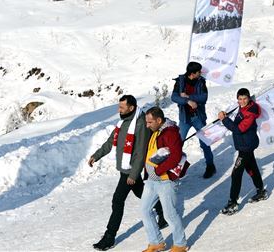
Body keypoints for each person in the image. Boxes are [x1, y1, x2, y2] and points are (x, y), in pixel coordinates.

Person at [88, 95, 164, 251]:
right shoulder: (122, 122)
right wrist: (96, 155)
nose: (119, 110)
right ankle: (163, 213)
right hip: (126, 168)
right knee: (142, 193)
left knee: (117, 200)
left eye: (122, 107)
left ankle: (109, 237)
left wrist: (133, 174)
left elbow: (141, 152)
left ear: (131, 108)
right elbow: (110, 142)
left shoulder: (140, 124)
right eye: (119, 106)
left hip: (130, 171)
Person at [140, 106, 190, 252]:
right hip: (152, 180)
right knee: (145, 210)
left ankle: (180, 244)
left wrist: (158, 170)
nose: (147, 125)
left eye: (150, 122)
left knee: (170, 214)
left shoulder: (170, 133)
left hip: (165, 181)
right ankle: (156, 242)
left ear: (159, 120)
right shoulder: (157, 131)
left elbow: (175, 157)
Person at [219, 88, 267, 214]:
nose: (242, 101)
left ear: (249, 98)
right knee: (252, 168)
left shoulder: (250, 113)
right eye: (240, 99)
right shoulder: (243, 107)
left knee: (236, 173)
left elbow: (239, 129)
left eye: (245, 98)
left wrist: (224, 120)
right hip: (245, 144)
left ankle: (233, 202)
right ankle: (261, 191)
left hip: (246, 146)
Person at [170, 62, 216, 178]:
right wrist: (186, 101)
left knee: (205, 142)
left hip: (198, 117)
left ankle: (210, 166)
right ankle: (174, 167)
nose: (201, 73)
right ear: (192, 73)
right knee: (178, 143)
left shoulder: (201, 81)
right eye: (198, 72)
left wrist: (188, 97)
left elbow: (204, 97)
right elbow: (174, 97)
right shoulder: (180, 82)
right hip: (185, 118)